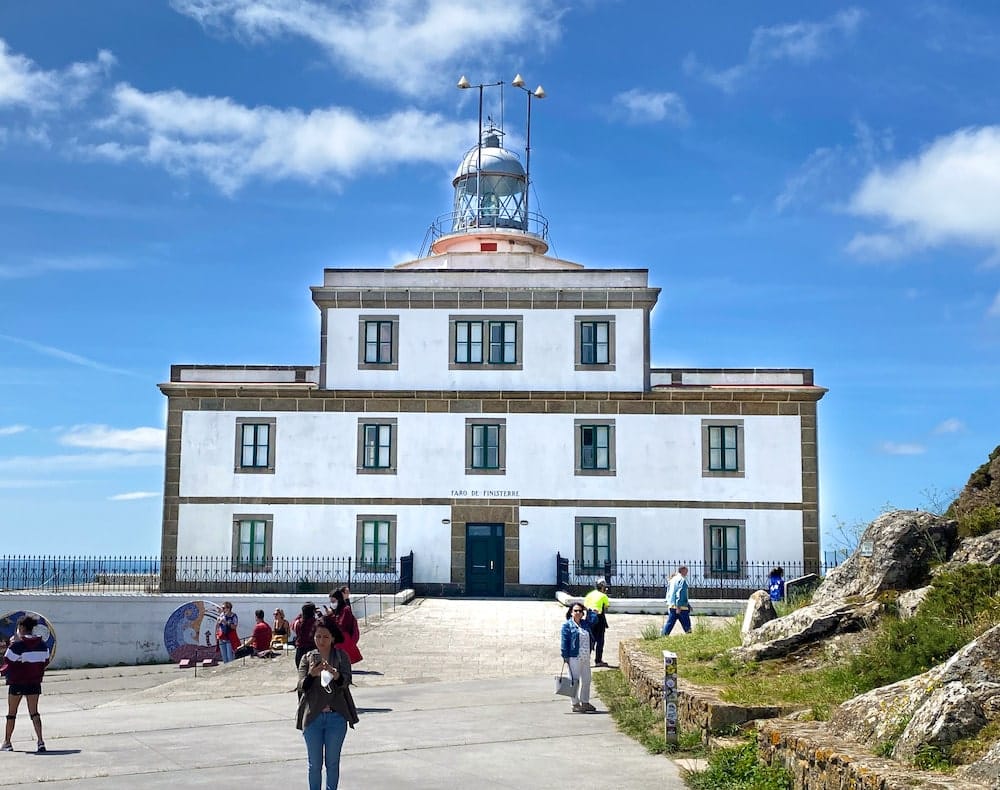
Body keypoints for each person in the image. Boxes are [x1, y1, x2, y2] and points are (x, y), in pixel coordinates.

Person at [297, 618, 359, 790]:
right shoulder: (307, 658)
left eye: (325, 637)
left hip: (336, 717)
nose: (321, 641)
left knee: (332, 763)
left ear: (333, 638)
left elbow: (346, 682)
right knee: (314, 765)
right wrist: (312, 674)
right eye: (318, 637)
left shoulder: (341, 656)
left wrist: (335, 674)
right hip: (313, 718)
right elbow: (301, 686)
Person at [1, 615, 51, 753]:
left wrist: (11, 644)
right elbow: (45, 662)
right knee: (34, 712)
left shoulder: (17, 646)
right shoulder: (42, 646)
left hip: (17, 682)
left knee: (12, 714)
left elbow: (7, 661)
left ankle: (7, 742)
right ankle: (40, 741)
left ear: (21, 628)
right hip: (34, 682)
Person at [560, 604, 596, 713]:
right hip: (574, 657)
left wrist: (590, 611)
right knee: (574, 681)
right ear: (571, 612)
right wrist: (565, 656)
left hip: (585, 657)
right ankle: (575, 703)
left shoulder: (585, 624)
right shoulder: (567, 625)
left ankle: (585, 702)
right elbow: (564, 642)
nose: (578, 613)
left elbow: (594, 620)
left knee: (587, 680)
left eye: (580, 611)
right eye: (575, 611)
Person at [328, 589, 363, 665]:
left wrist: (331, 616)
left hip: (343, 637)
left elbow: (342, 625)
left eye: (333, 601)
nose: (332, 603)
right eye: (331, 601)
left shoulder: (345, 609)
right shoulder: (337, 609)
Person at [583, 579, 611, 667]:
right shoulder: (603, 596)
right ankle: (598, 660)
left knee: (590, 640)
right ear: (603, 587)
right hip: (599, 619)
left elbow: (585, 606)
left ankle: (584, 661)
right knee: (600, 640)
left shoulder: (589, 595)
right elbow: (606, 606)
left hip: (589, 619)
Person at [662, 566, 692, 636]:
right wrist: (679, 605)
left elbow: (669, 592)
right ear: (682, 570)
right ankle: (690, 636)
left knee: (670, 623)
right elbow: (680, 593)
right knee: (686, 623)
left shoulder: (672, 579)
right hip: (681, 607)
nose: (687, 573)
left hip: (672, 605)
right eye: (686, 571)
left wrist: (668, 602)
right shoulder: (682, 580)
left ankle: (663, 636)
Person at [292, 602, 319, 668]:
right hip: (313, 651)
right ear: (313, 611)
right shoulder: (316, 623)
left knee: (301, 674)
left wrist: (300, 615)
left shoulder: (298, 623)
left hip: (300, 652)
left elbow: (292, 626)